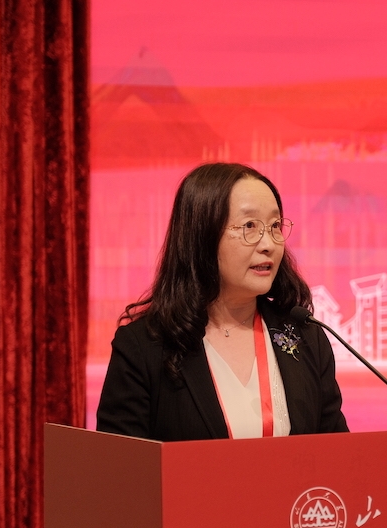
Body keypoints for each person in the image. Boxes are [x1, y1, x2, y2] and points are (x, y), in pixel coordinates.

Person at [97, 163, 348, 441]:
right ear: (202, 236)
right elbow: (120, 463)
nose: (268, 244)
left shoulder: (306, 337)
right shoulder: (144, 347)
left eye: (275, 226)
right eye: (250, 226)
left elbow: (337, 454)